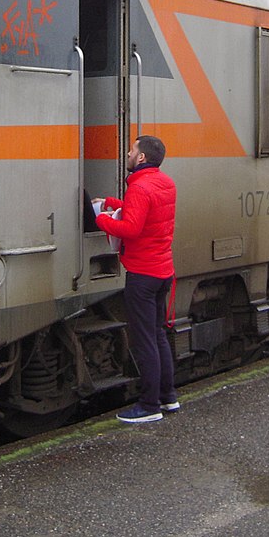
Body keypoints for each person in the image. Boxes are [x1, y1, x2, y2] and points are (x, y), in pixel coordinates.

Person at [93, 134, 179, 424]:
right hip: (163, 272)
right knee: (158, 336)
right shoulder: (165, 183)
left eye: (132, 150)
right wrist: (110, 202)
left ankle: (149, 405)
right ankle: (169, 398)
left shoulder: (140, 187)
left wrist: (100, 218)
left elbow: (130, 228)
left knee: (144, 342)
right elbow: (146, 211)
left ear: (141, 157)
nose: (128, 154)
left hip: (142, 275)